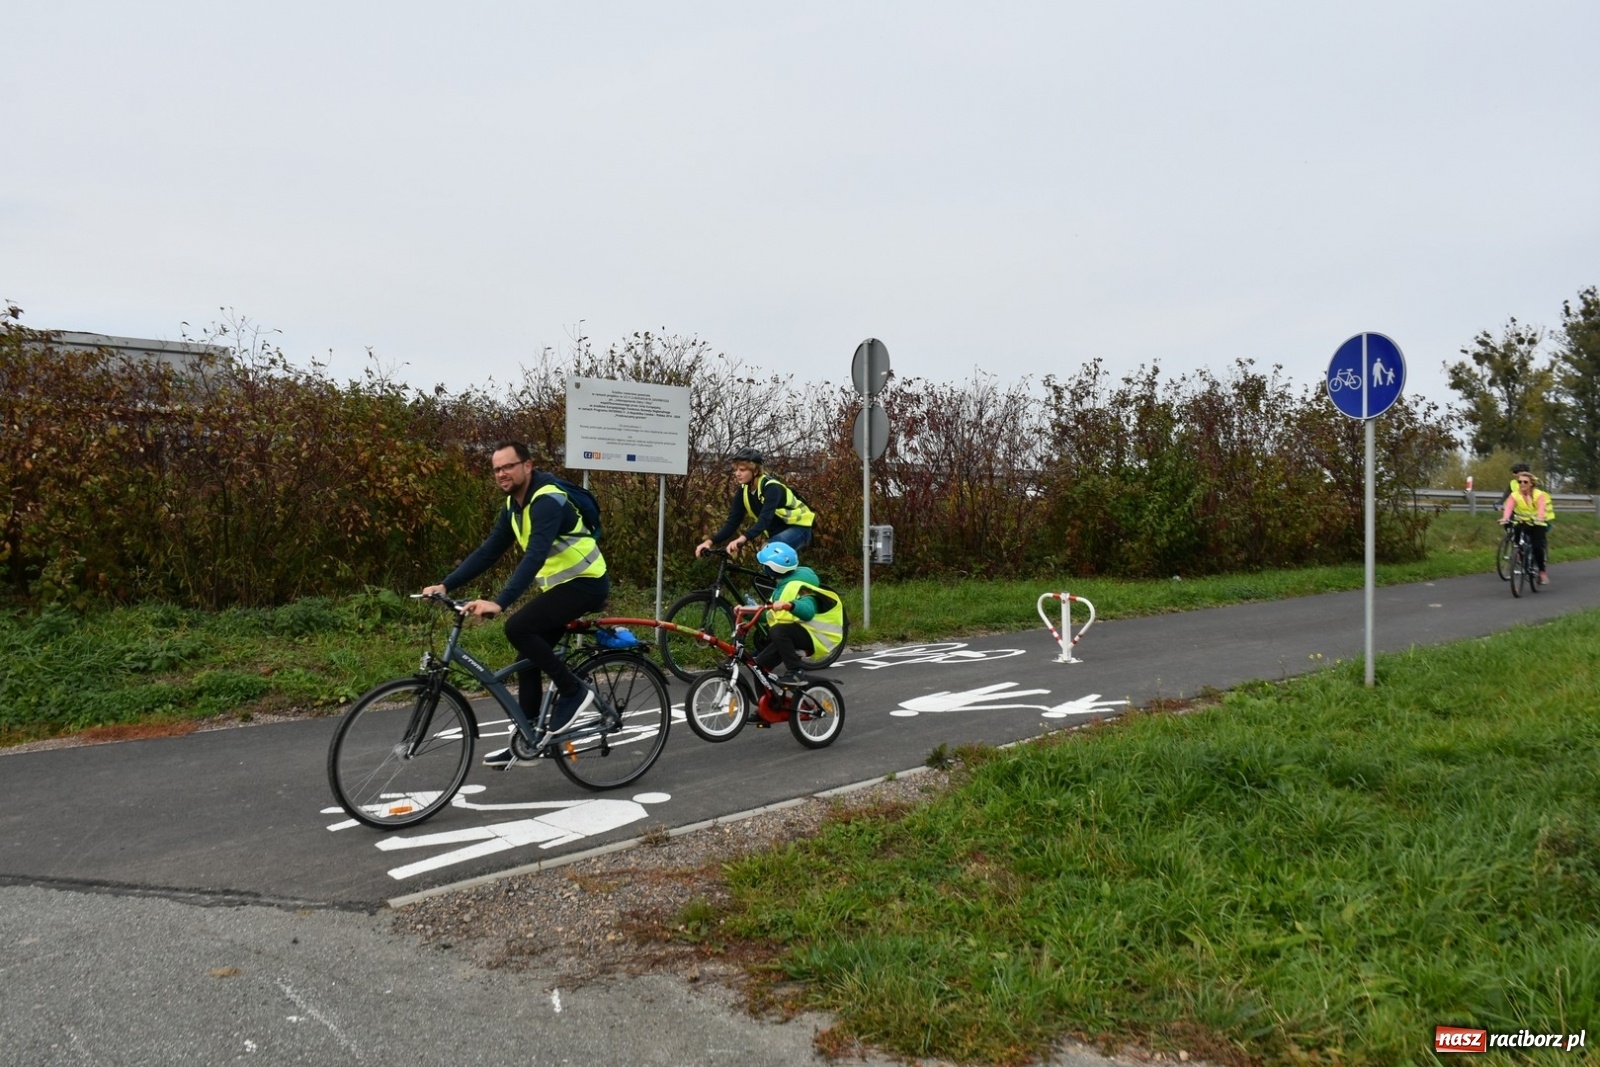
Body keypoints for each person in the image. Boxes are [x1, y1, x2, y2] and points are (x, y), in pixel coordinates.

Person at [423, 441, 609, 767]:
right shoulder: (513, 506)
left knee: (518, 627)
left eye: (508, 466)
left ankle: (573, 692)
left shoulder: (546, 499)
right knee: (528, 656)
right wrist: (446, 584)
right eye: (496, 469)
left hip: (586, 584)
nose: (502, 474)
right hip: (562, 587)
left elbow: (536, 554)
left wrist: (500, 602)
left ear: (527, 466)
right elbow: (489, 551)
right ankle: (529, 736)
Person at [749, 541, 844, 688]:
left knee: (778, 630)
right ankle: (769, 709)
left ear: (771, 569)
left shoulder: (801, 586)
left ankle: (795, 672)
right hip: (792, 634)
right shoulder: (781, 588)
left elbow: (807, 610)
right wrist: (746, 612)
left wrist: (790, 605)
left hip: (814, 636)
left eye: (765, 566)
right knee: (759, 668)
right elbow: (769, 615)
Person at [695, 448, 816, 562]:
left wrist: (743, 538)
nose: (737, 474)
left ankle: (789, 583)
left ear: (756, 470)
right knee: (767, 560)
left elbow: (765, 519)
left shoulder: (772, 487)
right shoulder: (743, 492)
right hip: (777, 533)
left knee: (770, 552)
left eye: (742, 470)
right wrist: (709, 542)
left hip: (800, 528)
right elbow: (732, 522)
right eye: (736, 470)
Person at [1500, 468, 1553, 585]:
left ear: (1531, 484)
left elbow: (1541, 507)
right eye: (1520, 482)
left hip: (1537, 523)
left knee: (1537, 547)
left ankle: (1542, 573)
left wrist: (1540, 517)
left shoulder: (1539, 495)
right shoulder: (1515, 495)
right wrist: (1505, 517)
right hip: (1522, 521)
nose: (1522, 484)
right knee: (1516, 535)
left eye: (1525, 482)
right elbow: (1509, 506)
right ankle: (1519, 554)